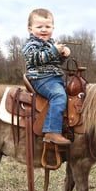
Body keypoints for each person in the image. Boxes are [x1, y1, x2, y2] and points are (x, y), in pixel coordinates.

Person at [22, 8, 71, 146]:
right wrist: (55, 50)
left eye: (47, 26)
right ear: (30, 29)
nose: (44, 30)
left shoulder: (51, 43)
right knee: (59, 96)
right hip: (40, 78)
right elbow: (37, 59)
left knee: (75, 95)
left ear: (53, 28)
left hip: (54, 78)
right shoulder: (31, 45)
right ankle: (51, 131)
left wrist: (63, 55)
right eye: (39, 27)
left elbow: (55, 62)